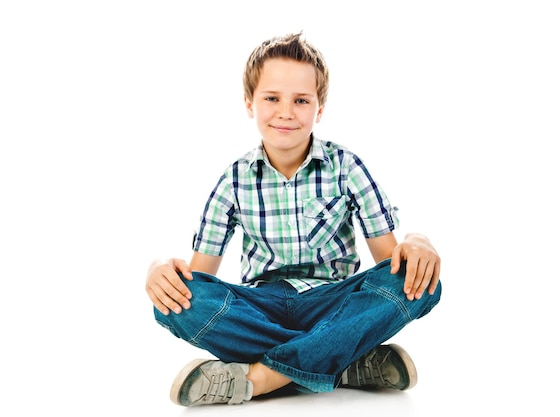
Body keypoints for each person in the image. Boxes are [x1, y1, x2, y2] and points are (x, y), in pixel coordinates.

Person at [145, 32, 442, 407]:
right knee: (174, 302)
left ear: (319, 109)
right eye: (272, 98)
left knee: (423, 283)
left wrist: (418, 241)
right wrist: (159, 269)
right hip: (261, 306)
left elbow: (391, 263)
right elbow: (199, 277)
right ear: (249, 103)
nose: (286, 111)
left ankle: (259, 379)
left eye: (301, 100)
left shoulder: (346, 167)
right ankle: (344, 361)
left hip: (332, 301)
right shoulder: (233, 180)